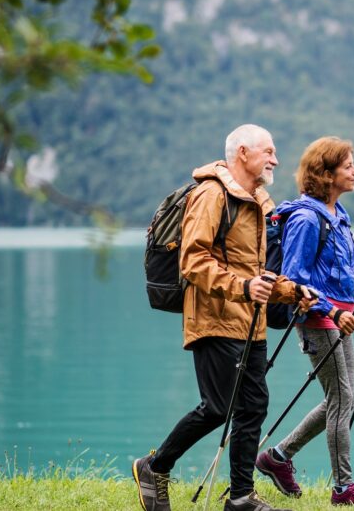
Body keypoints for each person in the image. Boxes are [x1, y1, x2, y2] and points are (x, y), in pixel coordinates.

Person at [133, 124, 317, 511]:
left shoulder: (256, 202)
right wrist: (244, 289)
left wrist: (293, 292)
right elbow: (193, 261)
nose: (276, 160)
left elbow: (257, 272)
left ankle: (240, 497)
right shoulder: (211, 195)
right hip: (213, 318)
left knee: (254, 406)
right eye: (268, 151)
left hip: (250, 322)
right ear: (243, 153)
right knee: (217, 407)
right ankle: (154, 466)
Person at [255, 136, 354, 506]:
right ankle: (344, 488)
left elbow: (346, 278)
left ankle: (277, 457)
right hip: (318, 321)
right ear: (326, 172)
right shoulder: (305, 219)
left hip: (341, 319)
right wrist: (332, 312)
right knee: (341, 398)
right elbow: (294, 280)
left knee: (340, 399)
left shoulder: (337, 215)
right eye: (348, 165)